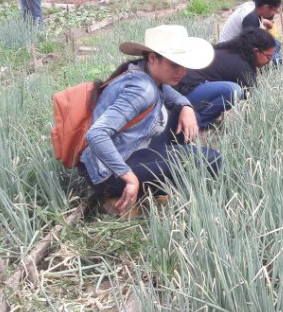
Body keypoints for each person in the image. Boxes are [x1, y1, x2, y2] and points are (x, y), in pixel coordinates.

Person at [79, 25, 221, 216]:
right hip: (109, 172)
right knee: (212, 160)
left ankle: (150, 190)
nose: (182, 71)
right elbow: (96, 134)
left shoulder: (142, 72)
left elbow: (168, 94)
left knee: (180, 118)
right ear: (153, 58)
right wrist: (129, 178)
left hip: (123, 154)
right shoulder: (142, 89)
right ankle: (121, 197)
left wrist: (186, 107)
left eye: (183, 64)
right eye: (174, 64)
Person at [176, 27, 275, 127]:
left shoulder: (233, 51)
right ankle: (198, 122)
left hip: (185, 92)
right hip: (184, 96)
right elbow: (256, 95)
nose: (270, 61)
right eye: (268, 56)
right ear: (256, 51)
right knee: (233, 91)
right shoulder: (240, 65)